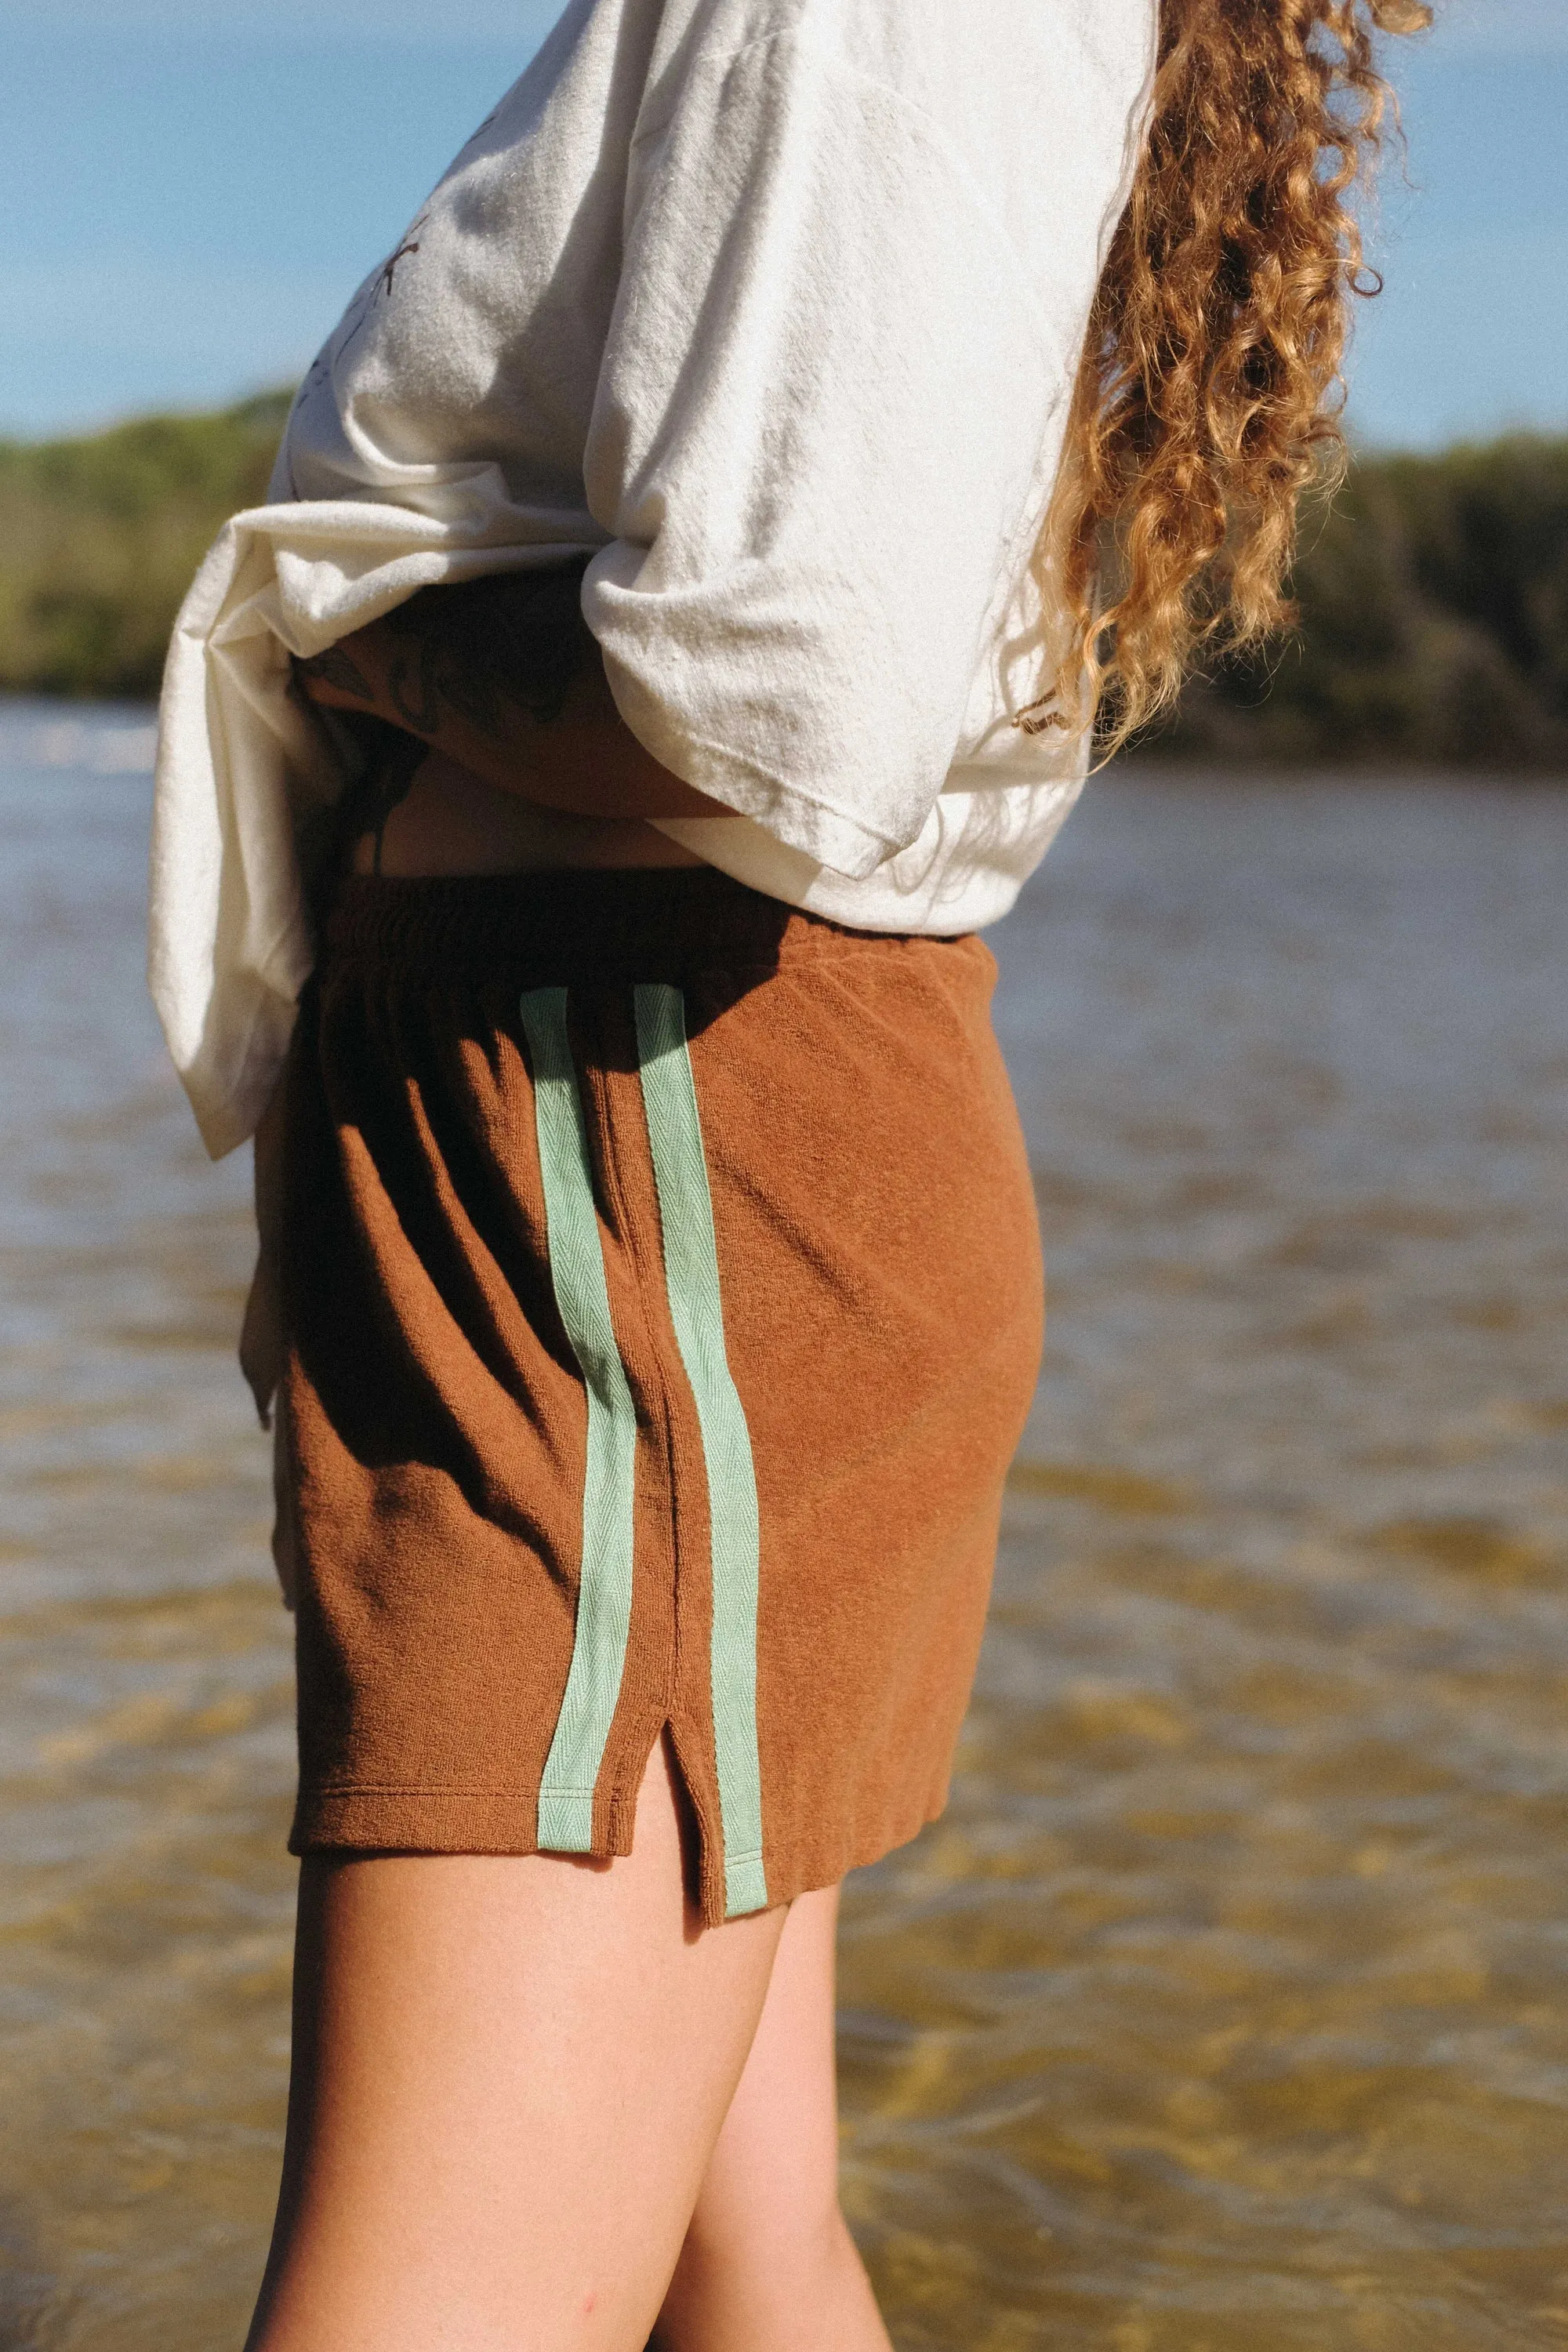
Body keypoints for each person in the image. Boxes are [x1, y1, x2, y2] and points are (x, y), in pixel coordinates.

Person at [147, 0, 1428, 2343]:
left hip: (637, 1173)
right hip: (655, 1171)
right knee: (744, 2248)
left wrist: (364, 644)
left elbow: (759, 696)